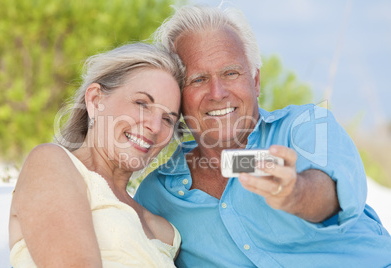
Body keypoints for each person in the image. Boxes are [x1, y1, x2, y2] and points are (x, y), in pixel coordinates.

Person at [134, 5, 391, 268]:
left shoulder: (306, 126)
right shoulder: (156, 196)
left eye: (230, 73)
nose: (217, 92)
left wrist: (294, 192)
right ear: (176, 95)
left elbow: (329, 192)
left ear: (255, 82)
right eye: (198, 79)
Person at [9, 43, 186, 267]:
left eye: (168, 119)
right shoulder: (51, 163)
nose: (155, 126)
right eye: (142, 103)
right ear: (95, 100)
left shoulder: (167, 233)